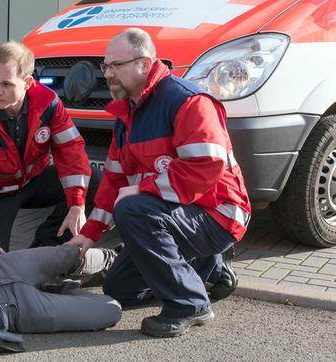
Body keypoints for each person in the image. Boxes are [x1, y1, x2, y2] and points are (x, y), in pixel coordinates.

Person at [68, 28, 251, 338]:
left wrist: (142, 189)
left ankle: (189, 303)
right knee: (119, 290)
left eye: (116, 66)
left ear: (145, 63)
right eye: (105, 66)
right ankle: (208, 267)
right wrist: (88, 236)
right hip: (180, 214)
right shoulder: (127, 115)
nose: (107, 74)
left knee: (133, 210)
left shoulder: (187, 101)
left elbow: (205, 167)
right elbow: (113, 180)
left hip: (220, 214)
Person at [0, 40, 101, 261]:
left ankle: (42, 251)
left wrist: (77, 205)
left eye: (6, 84)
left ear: (28, 82)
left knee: (94, 181)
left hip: (33, 182)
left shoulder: (49, 102)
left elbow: (71, 151)